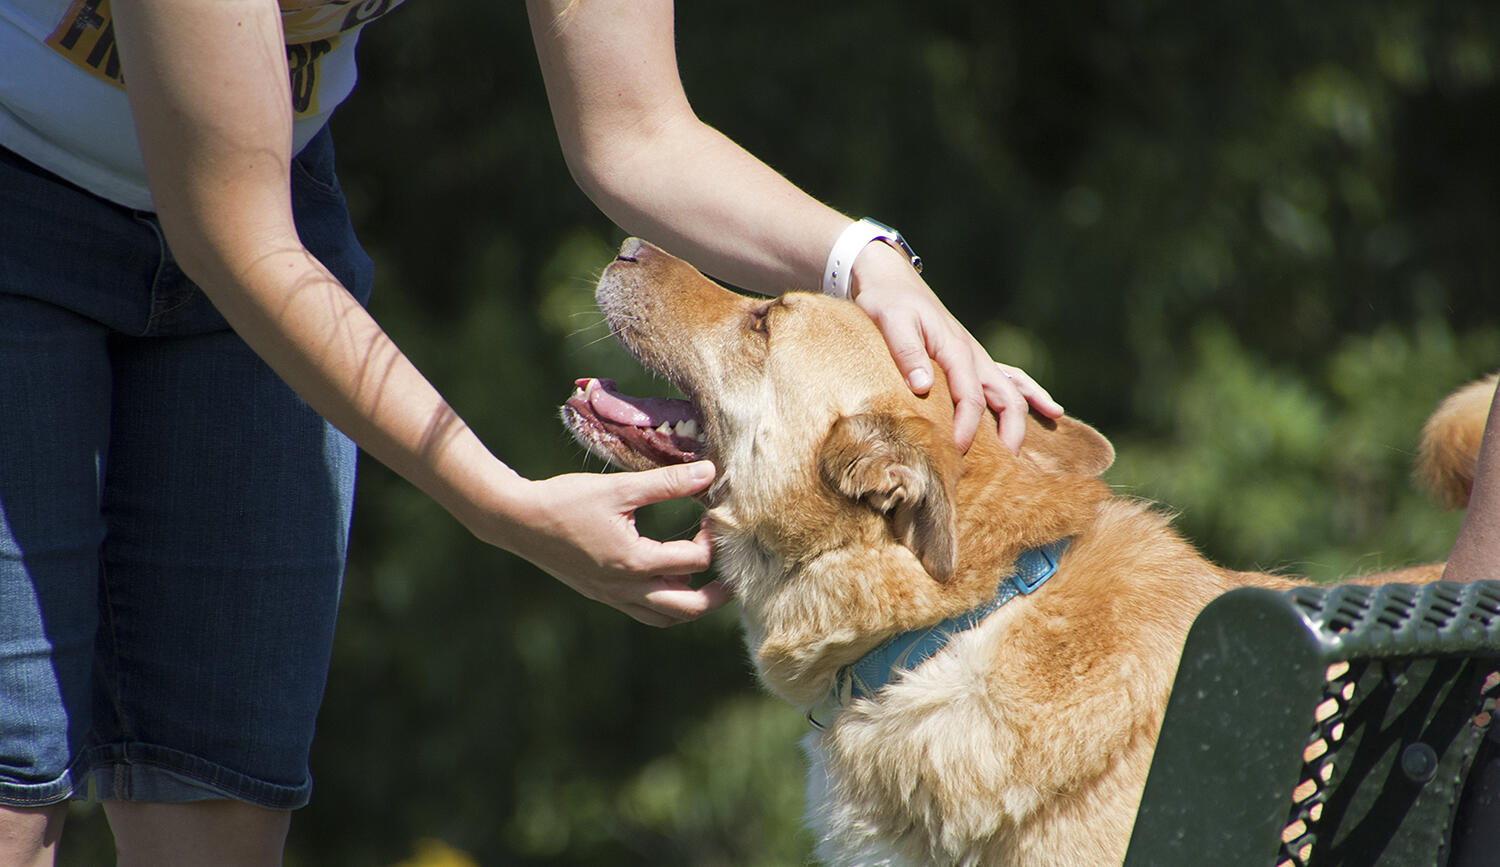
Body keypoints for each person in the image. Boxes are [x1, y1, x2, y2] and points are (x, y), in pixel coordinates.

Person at [0, 0, 1061, 862]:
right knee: (13, 795)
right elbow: (232, 239)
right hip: (43, 198)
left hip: (273, 189)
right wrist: (499, 503)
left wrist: (861, 260)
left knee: (218, 804)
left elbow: (636, 129)